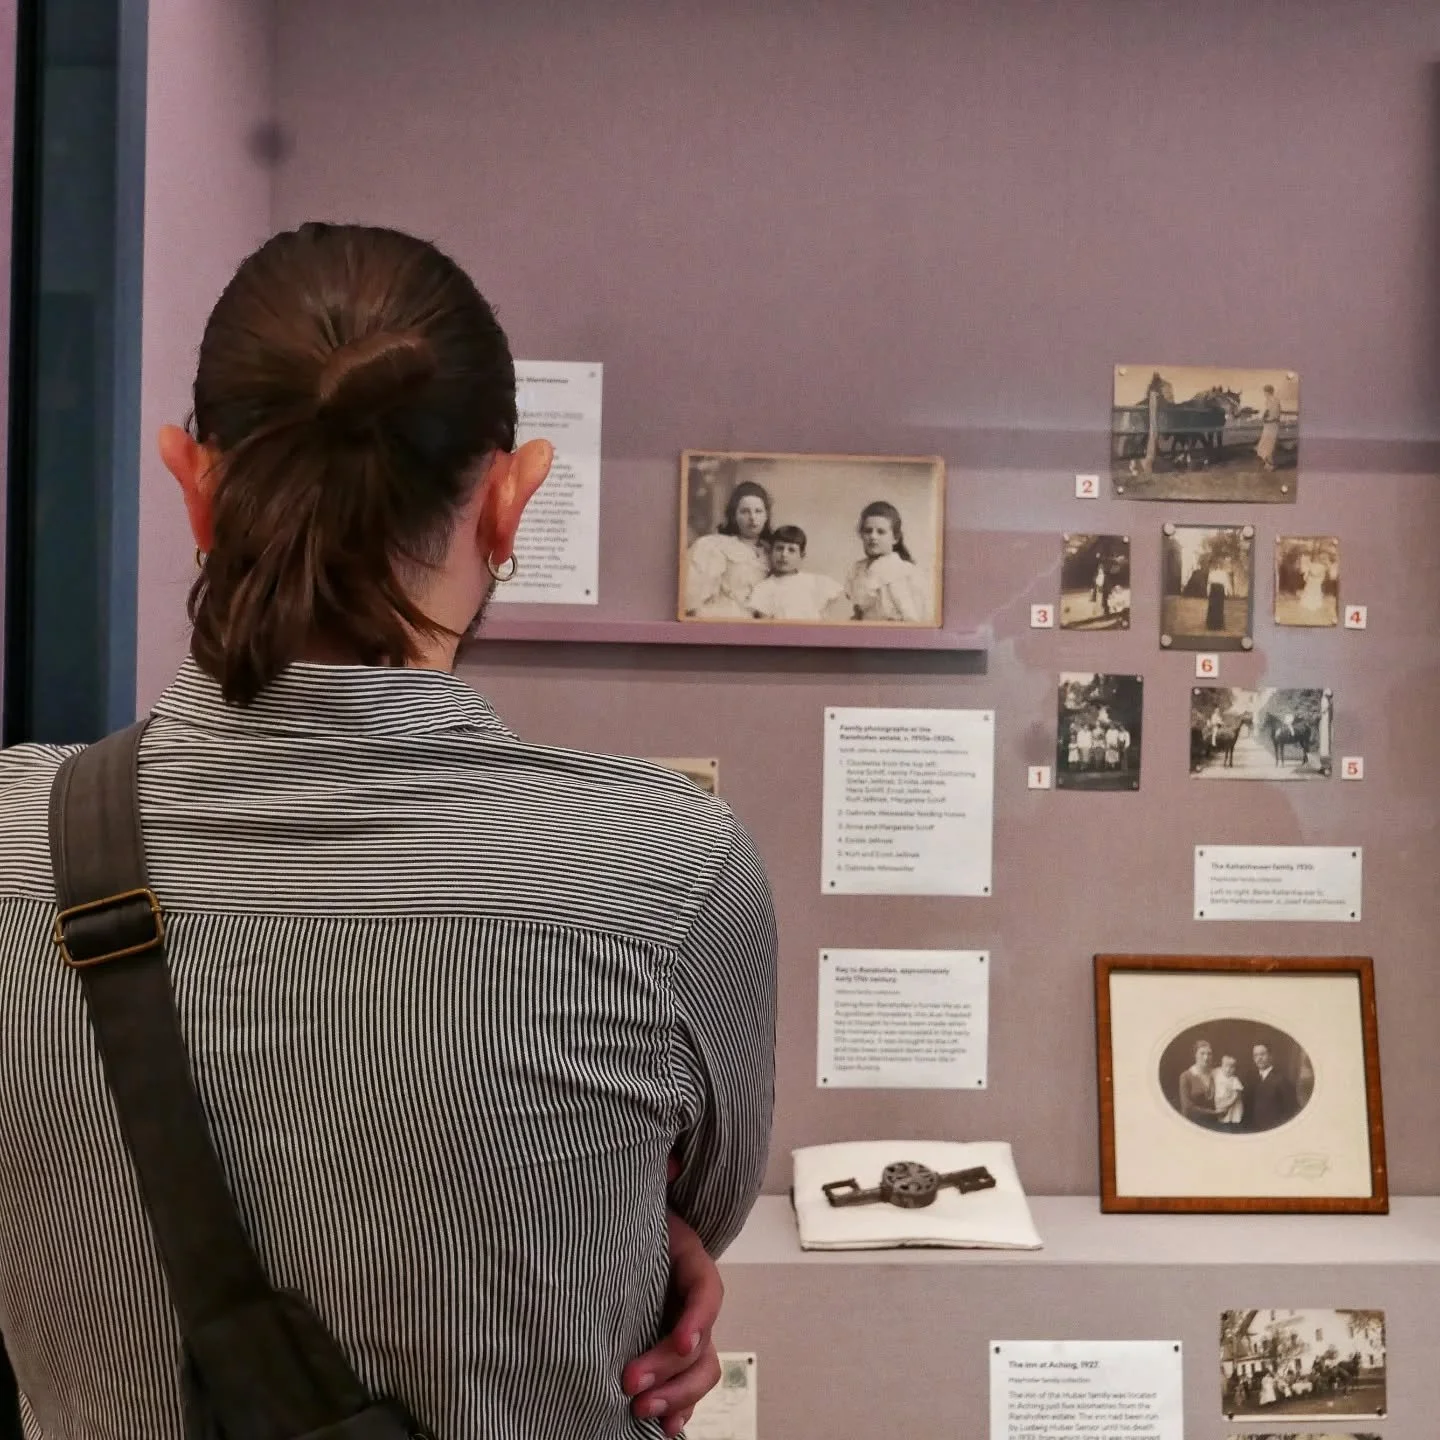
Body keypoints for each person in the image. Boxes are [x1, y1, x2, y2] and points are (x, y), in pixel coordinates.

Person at [0, 223, 778, 1440]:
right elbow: (702, 1204)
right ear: (512, 501)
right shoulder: (666, 869)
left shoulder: (12, 844)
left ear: (191, 484)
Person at [684, 480, 773, 617]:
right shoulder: (714, 545)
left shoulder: (774, 553)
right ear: (734, 516)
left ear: (766, 516)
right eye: (744, 511)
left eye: (758, 511)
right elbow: (692, 602)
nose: (752, 517)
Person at [845, 501, 930, 622]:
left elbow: (912, 619)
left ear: (895, 538)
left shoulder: (902, 572)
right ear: (861, 534)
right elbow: (858, 614)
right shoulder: (857, 569)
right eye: (868, 531)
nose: (873, 536)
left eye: (881, 532)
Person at [747, 524, 846, 621]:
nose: (784, 555)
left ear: (801, 555)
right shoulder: (764, 588)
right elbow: (765, 627)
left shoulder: (815, 582)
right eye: (779, 548)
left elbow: (833, 610)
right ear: (771, 551)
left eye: (791, 550)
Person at [1248, 1042, 1299, 1131]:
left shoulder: (1282, 1080)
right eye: (1255, 1055)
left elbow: (1290, 1112)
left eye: (1262, 1054)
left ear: (1270, 1056)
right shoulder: (1251, 1079)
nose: (1259, 1058)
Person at [1178, 1039, 1217, 1127]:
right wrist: (1214, 1113)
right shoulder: (1186, 1076)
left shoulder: (1216, 1074)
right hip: (1192, 1124)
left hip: (1214, 1125)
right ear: (1195, 1055)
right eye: (1202, 1053)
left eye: (1209, 1054)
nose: (1206, 1057)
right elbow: (1187, 1107)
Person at [1212, 1054, 1245, 1126]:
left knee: (1230, 1120)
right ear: (1221, 1066)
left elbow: (1237, 1095)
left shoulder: (1234, 1079)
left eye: (1232, 1067)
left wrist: (1228, 1105)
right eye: (1226, 1066)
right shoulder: (1217, 1073)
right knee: (1220, 1121)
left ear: (1235, 1068)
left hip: (1231, 1105)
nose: (1228, 1069)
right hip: (1220, 1103)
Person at [1255, 383, 1282, 470]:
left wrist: (1268, 419)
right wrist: (1264, 417)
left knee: (1269, 445)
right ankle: (1268, 463)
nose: (1264, 394)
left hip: (1272, 425)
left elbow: (1275, 414)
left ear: (1269, 392)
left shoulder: (1274, 400)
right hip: (1268, 425)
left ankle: (1270, 465)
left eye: (1265, 392)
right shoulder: (1268, 400)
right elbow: (1267, 412)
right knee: (1264, 444)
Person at [1205, 559, 1230, 631]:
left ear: (1221, 566)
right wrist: (1208, 592)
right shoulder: (1211, 573)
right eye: (1217, 565)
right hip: (1213, 590)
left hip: (1220, 590)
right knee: (1212, 606)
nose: (1218, 566)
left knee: (1219, 606)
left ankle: (1219, 625)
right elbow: (1209, 583)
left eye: (1219, 565)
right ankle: (1211, 625)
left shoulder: (1224, 573)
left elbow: (1226, 583)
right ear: (1215, 566)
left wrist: (1225, 592)